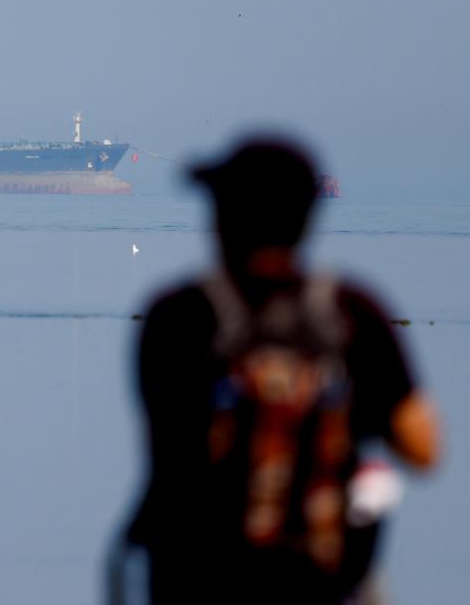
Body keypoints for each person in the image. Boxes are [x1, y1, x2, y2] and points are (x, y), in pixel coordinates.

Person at [116, 136, 440, 604]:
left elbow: (167, 451)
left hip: (201, 580)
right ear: (309, 218)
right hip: (321, 579)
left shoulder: (178, 315)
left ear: (222, 219)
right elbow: (424, 450)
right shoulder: (353, 313)